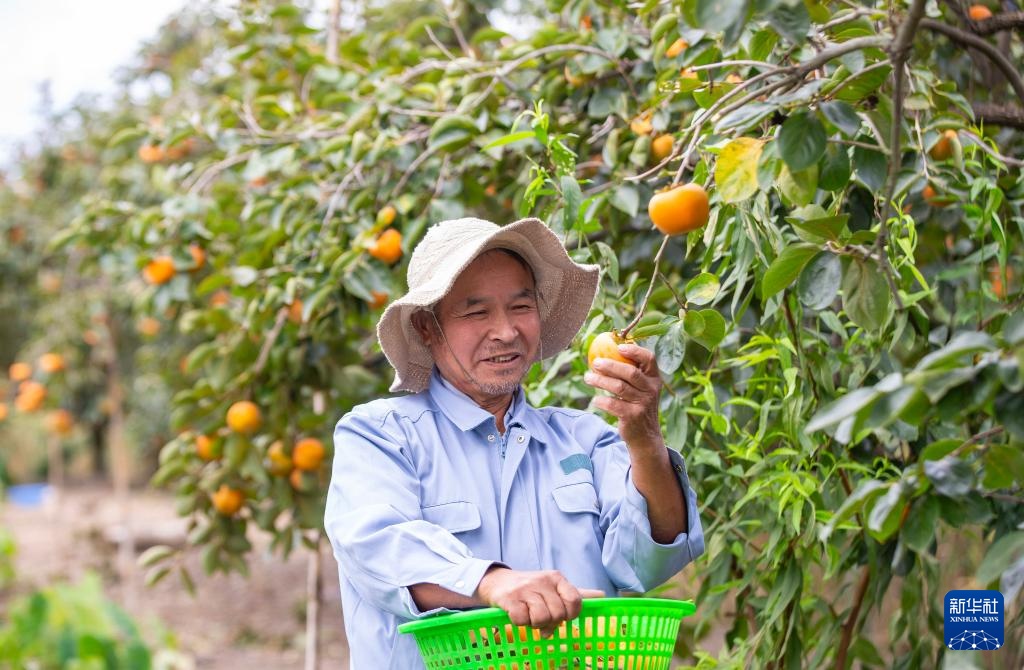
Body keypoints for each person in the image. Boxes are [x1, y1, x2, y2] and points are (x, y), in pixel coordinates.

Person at [324, 217, 704, 668]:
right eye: (476, 311)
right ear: (427, 327)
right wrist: (491, 583)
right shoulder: (380, 435)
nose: (505, 331)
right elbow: (377, 545)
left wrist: (645, 440)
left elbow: (650, 560)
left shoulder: (584, 438)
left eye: (521, 307)